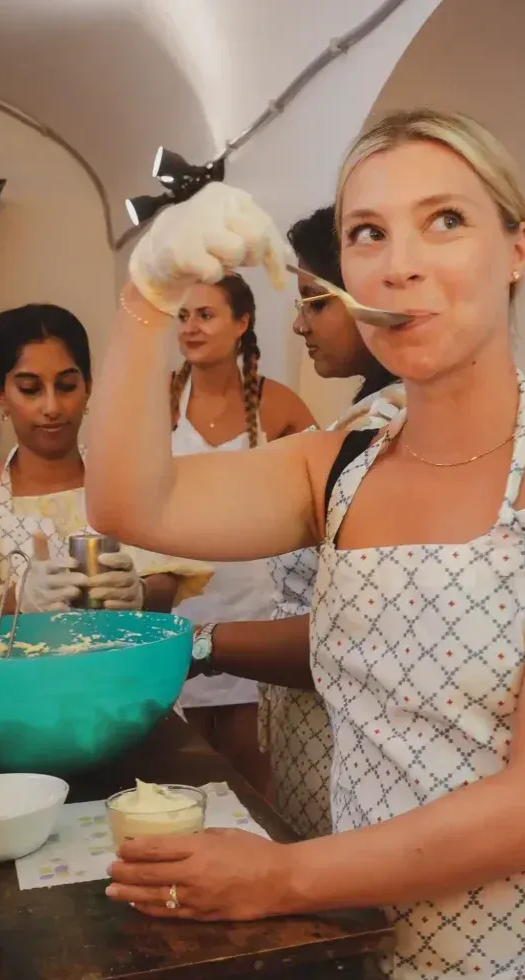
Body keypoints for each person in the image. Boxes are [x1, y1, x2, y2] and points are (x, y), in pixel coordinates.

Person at [88, 110, 525, 980]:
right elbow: (131, 505)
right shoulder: (338, 465)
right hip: (383, 966)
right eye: (367, 233)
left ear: (517, 248)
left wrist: (280, 877)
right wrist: (147, 297)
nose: (398, 264)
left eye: (445, 220)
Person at [185, 206, 405, 837]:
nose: (300, 323)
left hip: (349, 738)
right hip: (310, 717)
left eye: (315, 302)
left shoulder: (382, 430)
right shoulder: (359, 420)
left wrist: (196, 643)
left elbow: (357, 633)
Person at [0, 303, 209, 621]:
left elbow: (168, 576)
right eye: (30, 389)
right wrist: (16, 601)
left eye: (66, 386)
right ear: (0, 395)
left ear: (88, 386)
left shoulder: (125, 483)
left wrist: (141, 592)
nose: (52, 407)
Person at [170, 272, 315, 794]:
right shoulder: (159, 403)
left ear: (241, 323)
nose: (191, 327)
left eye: (205, 315)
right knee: (185, 776)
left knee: (254, 781)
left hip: (257, 610)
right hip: (180, 607)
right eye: (183, 316)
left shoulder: (280, 406)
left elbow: (322, 506)